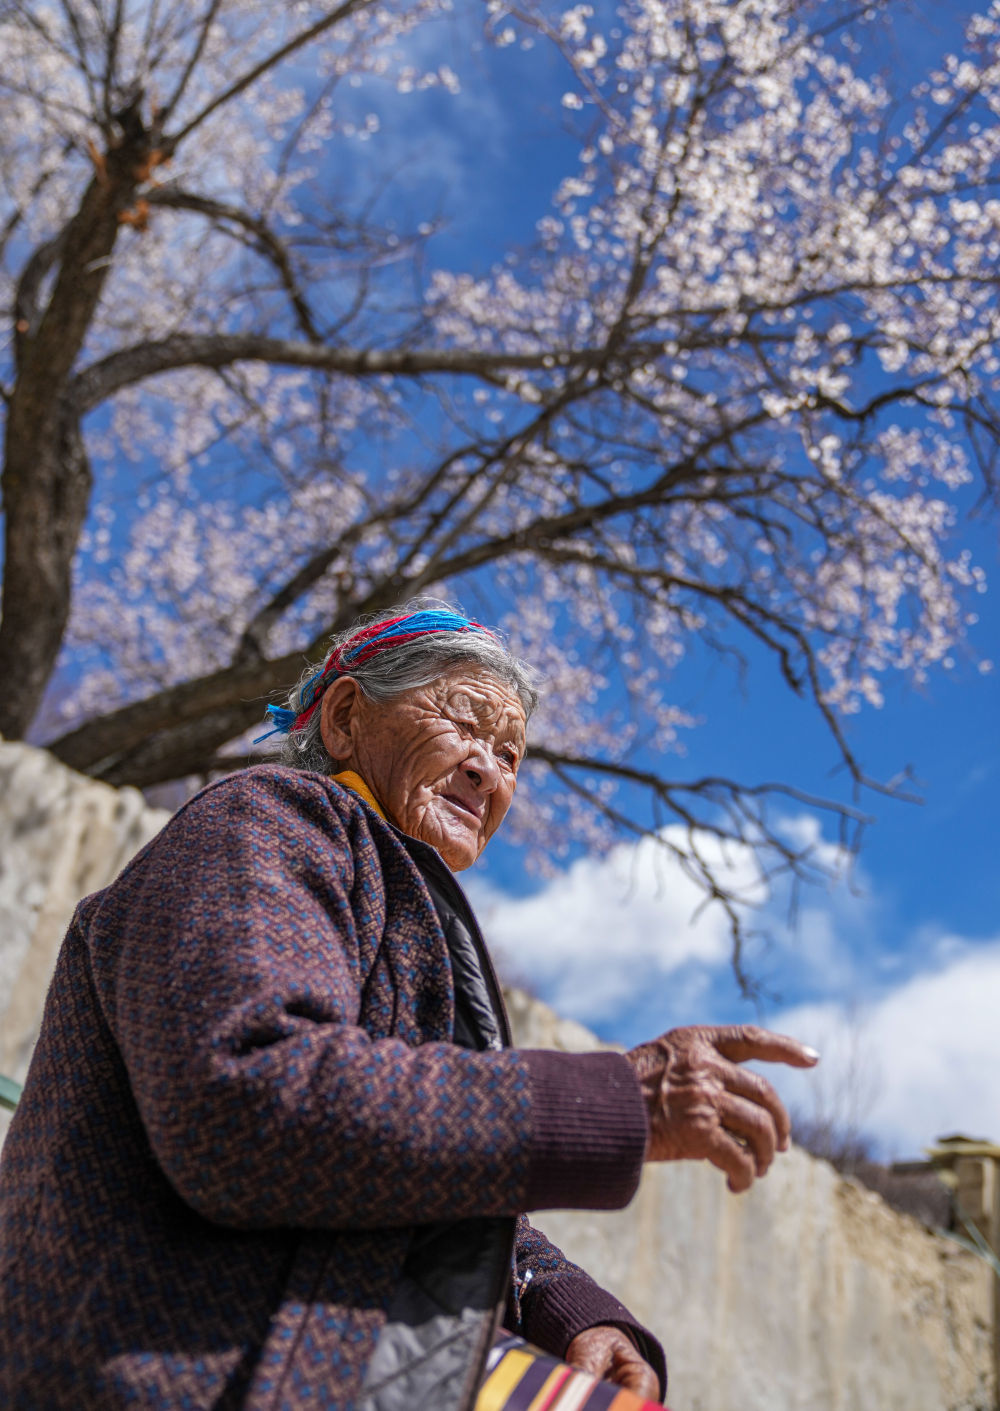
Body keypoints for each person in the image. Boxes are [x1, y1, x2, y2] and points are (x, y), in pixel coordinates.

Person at [0, 602, 817, 1411]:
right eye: (463, 724)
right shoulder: (270, 819)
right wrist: (622, 1098)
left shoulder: (399, 905)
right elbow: (247, 1096)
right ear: (350, 716)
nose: (488, 770)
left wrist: (565, 1307)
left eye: (508, 755)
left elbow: (405, 1154)